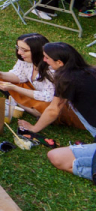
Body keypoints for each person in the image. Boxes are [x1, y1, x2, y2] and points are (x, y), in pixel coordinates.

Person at [18, 43, 96, 182]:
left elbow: (53, 110)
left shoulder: (67, 80)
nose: (44, 60)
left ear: (59, 62)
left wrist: (34, 128)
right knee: (58, 156)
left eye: (47, 58)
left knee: (58, 158)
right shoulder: (91, 71)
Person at [0, 34, 84, 127]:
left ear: (37, 52)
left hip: (59, 102)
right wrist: (1, 74)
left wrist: (14, 88)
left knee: (46, 108)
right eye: (18, 48)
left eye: (24, 50)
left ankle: (18, 102)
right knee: (2, 79)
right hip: (38, 92)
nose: (19, 52)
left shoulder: (51, 68)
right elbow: (19, 75)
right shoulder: (25, 59)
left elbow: (49, 97)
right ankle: (18, 100)